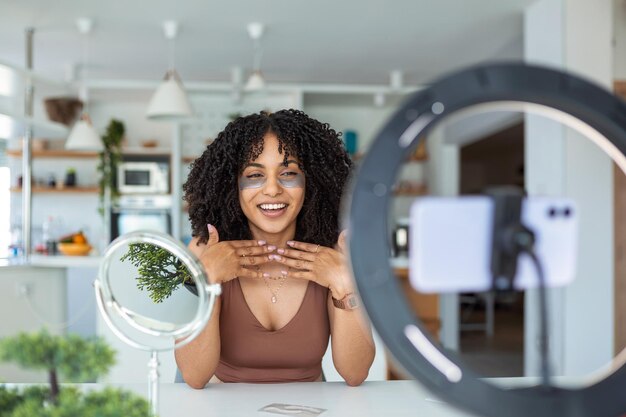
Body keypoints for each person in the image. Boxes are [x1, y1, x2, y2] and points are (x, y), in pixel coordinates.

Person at [176, 109, 375, 387]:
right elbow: (194, 376)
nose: (272, 190)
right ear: (232, 185)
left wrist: (343, 283)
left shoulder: (334, 252)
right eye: (255, 174)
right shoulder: (205, 251)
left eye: (289, 173)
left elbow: (355, 373)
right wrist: (207, 279)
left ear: (312, 182)